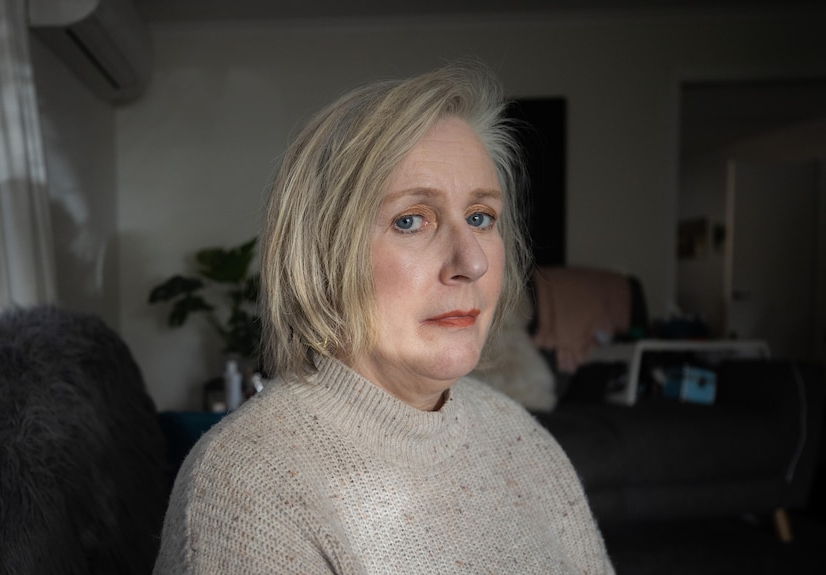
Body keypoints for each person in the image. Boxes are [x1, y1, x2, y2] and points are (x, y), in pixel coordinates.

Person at [154, 62, 614, 574]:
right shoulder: (245, 485)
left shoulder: (518, 434)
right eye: (412, 220)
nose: (474, 262)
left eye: (481, 218)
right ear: (323, 253)